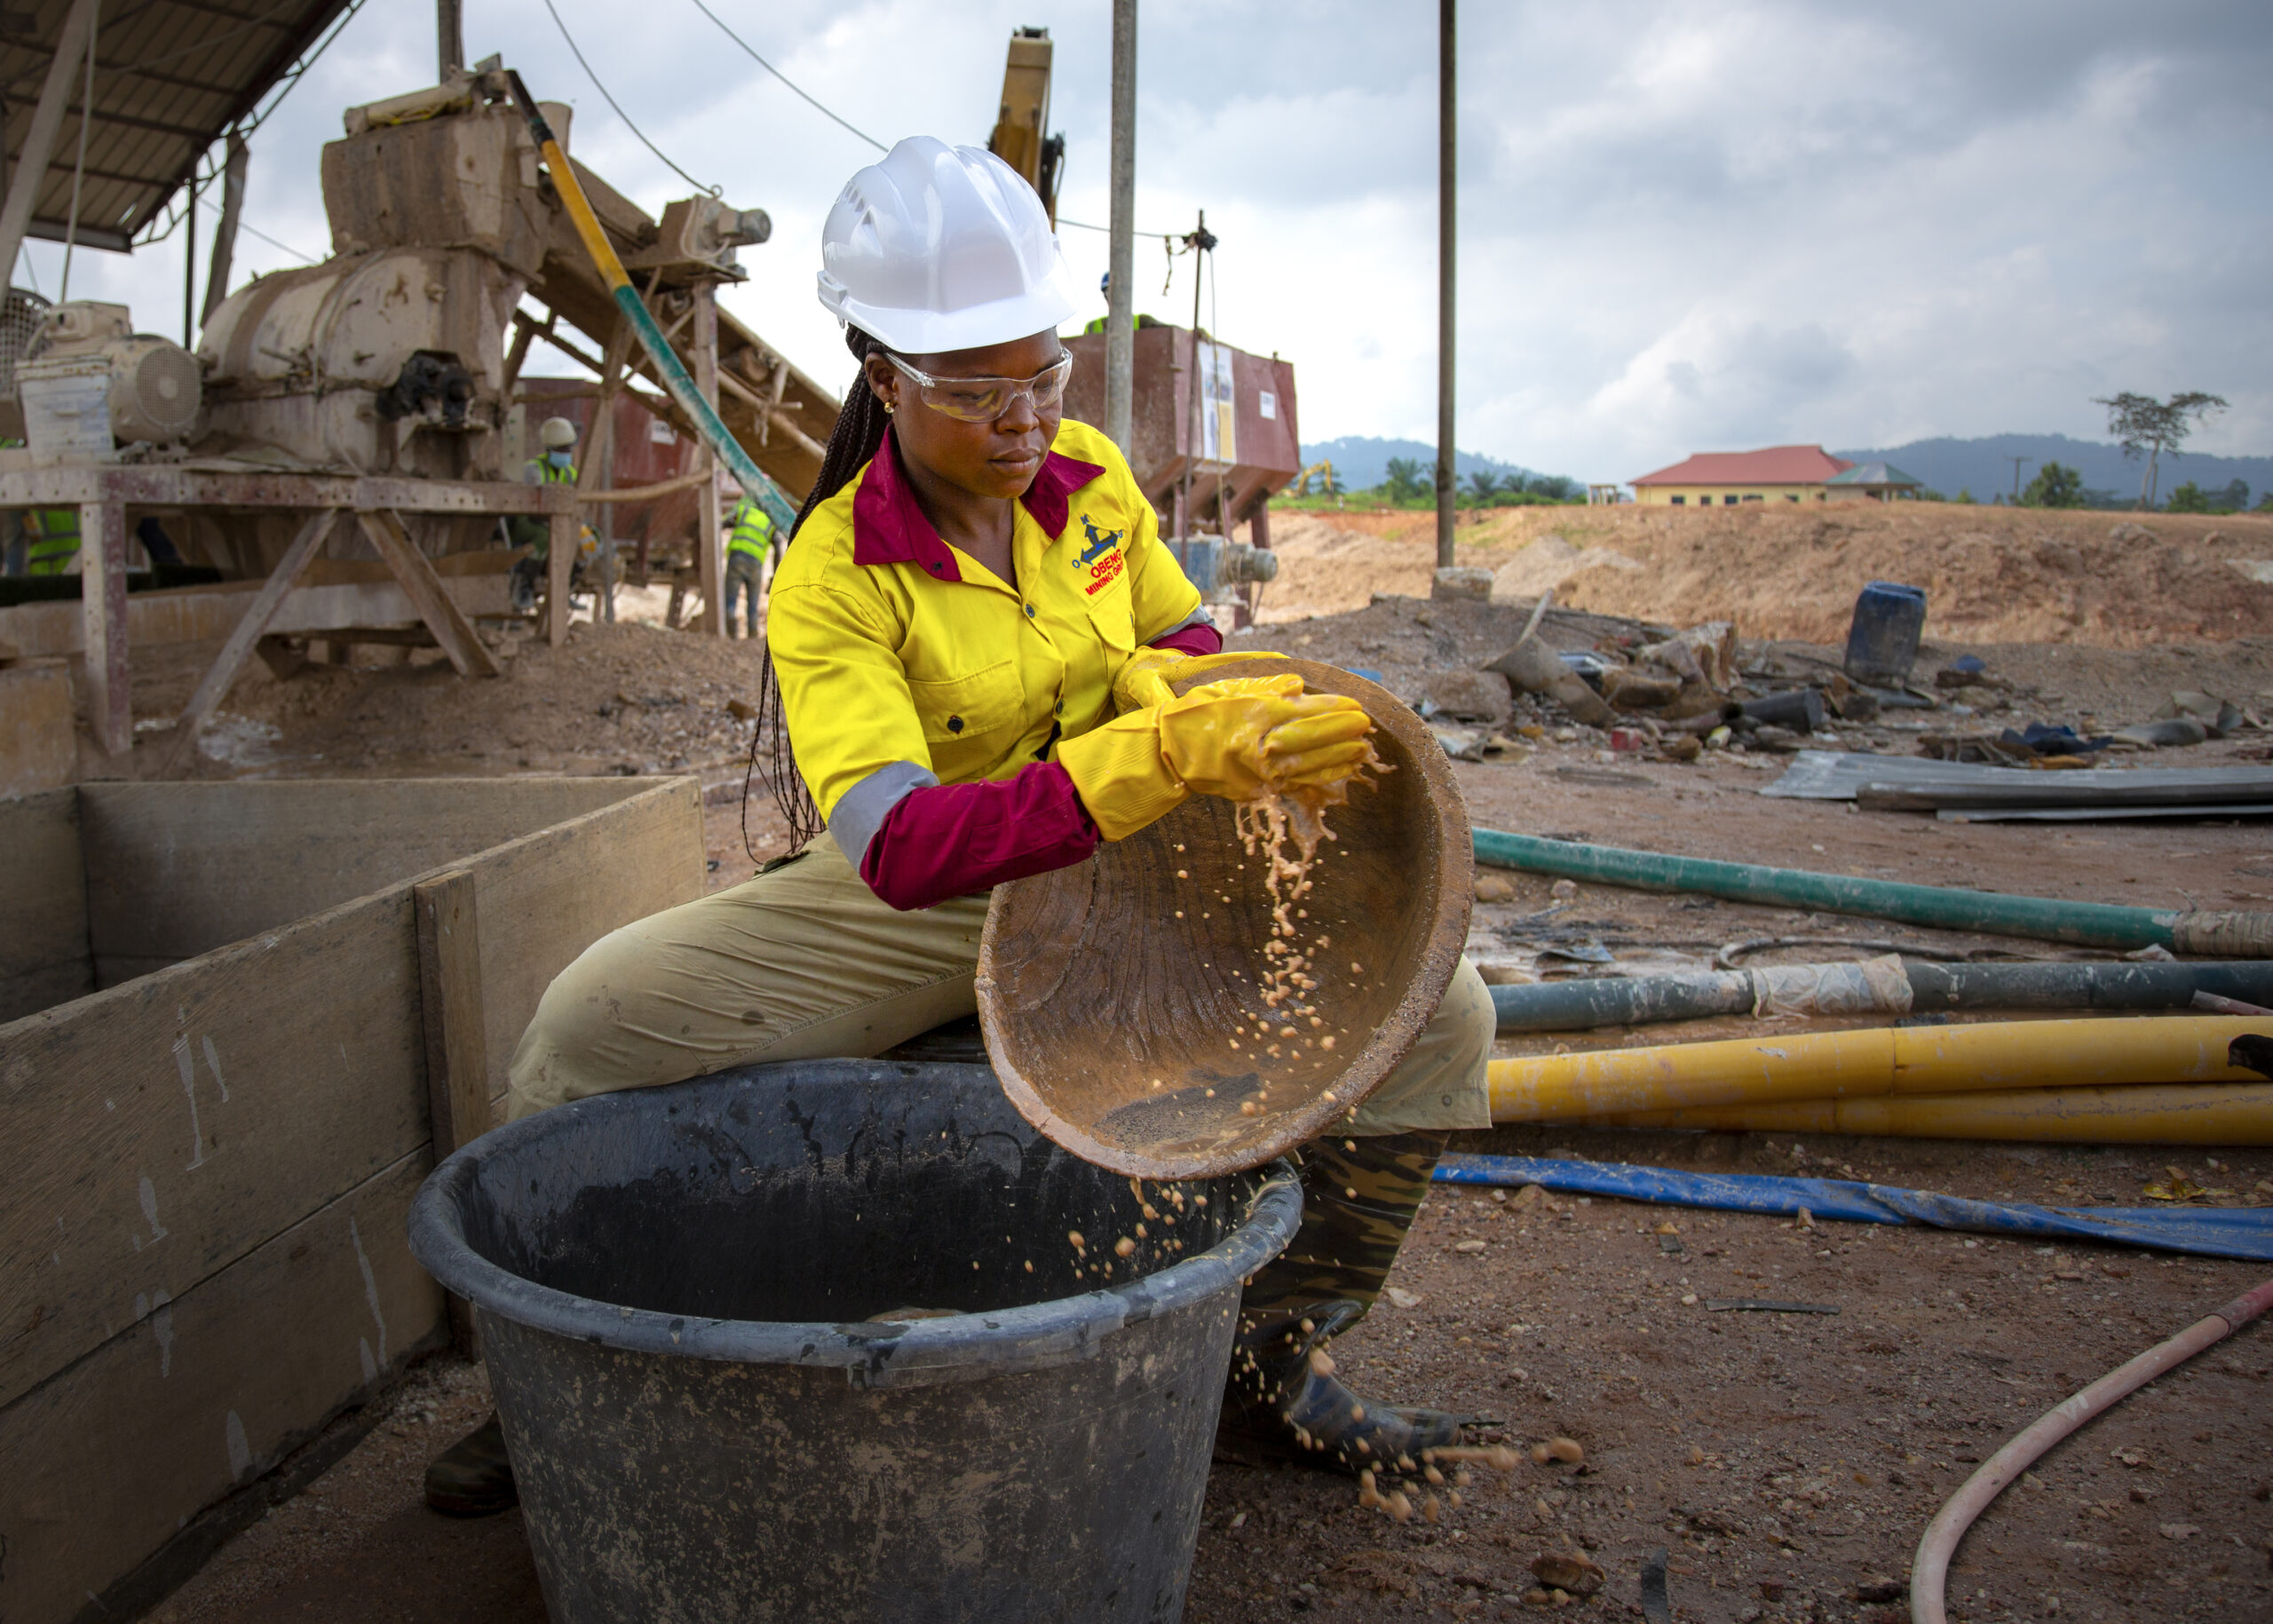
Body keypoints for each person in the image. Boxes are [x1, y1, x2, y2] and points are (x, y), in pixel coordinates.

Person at [424, 136, 1494, 1517]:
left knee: (1448, 1010)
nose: (1023, 418)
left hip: (1134, 867)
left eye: (1044, 374)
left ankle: (1271, 1353)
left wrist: (1207, 685)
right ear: (883, 377)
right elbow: (901, 846)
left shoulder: (1094, 482)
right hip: (938, 892)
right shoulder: (835, 573)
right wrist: (1148, 758)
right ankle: (551, 1393)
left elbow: (1178, 628)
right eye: (977, 392)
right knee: (585, 1025)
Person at [510, 416, 580, 611]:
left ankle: (567, 588)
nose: (566, 453)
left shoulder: (570, 473)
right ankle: (525, 586)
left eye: (568, 449)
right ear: (549, 449)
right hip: (530, 522)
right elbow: (532, 507)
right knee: (544, 536)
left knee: (587, 536)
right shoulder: (534, 469)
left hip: (558, 522)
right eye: (561, 449)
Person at [722, 483, 776, 638]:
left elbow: (723, 524)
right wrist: (774, 575)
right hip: (755, 565)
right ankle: (752, 635)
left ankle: (731, 629)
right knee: (753, 604)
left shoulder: (743, 512)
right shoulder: (770, 522)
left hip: (737, 559)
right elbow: (778, 548)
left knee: (731, 599)